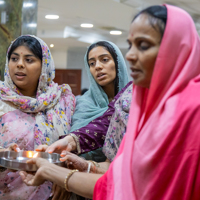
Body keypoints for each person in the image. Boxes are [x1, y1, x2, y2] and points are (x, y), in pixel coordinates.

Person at [20, 4, 200, 199]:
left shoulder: (192, 108)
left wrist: (55, 170)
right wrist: (78, 161)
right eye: (130, 45)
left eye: (144, 45)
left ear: (178, 47)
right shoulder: (137, 99)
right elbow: (118, 179)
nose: (130, 55)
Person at [0, 35, 75, 199]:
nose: (19, 64)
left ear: (44, 66)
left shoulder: (62, 100)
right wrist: (3, 153)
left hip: (54, 193)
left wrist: (65, 176)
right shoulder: (1, 99)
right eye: (14, 58)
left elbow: (75, 147)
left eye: (29, 59)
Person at [38, 41, 129, 162]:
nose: (97, 66)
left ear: (118, 63)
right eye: (92, 63)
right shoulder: (82, 104)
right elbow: (92, 131)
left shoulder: (130, 99)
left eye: (105, 60)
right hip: (81, 173)